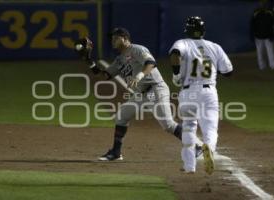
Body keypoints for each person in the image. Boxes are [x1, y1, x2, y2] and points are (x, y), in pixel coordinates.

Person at [75, 27, 202, 161]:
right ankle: (116, 153)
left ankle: (195, 147)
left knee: (168, 124)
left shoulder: (137, 49)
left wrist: (139, 76)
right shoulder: (119, 60)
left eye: (115, 37)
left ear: (124, 38)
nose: (112, 40)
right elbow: (105, 75)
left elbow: (151, 63)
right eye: (112, 38)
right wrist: (89, 60)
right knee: (121, 117)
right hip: (140, 94)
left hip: (155, 88)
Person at [169, 16, 233, 174]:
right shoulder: (215, 46)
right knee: (210, 128)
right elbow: (228, 72)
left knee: (189, 127)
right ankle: (209, 147)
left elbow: (175, 54)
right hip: (209, 92)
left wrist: (177, 74)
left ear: (187, 30)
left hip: (188, 91)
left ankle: (189, 166)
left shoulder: (182, 43)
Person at [251, 0, 274, 70]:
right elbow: (252, 25)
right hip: (258, 36)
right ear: (259, 4)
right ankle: (262, 66)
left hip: (268, 36)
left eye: (264, 3)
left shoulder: (270, 12)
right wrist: (252, 35)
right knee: (260, 53)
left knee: (271, 52)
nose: (262, 4)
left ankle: (273, 66)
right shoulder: (255, 12)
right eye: (261, 3)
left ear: (266, 4)